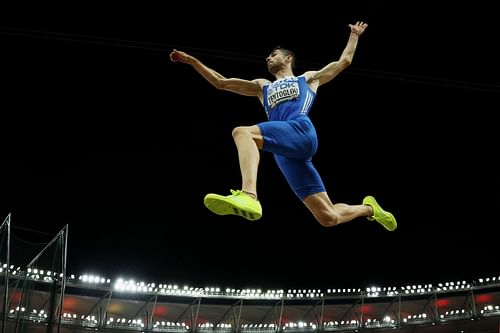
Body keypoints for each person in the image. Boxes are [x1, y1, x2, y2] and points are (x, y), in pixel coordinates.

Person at [170, 21, 397, 231]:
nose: (268, 58)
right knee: (328, 217)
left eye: (273, 55)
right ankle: (370, 209)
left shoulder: (307, 79)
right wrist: (192, 61)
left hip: (300, 130)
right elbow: (221, 82)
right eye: (268, 56)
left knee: (242, 132)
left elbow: (344, 62)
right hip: (285, 153)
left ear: (288, 59)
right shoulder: (262, 86)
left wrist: (354, 35)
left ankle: (249, 195)